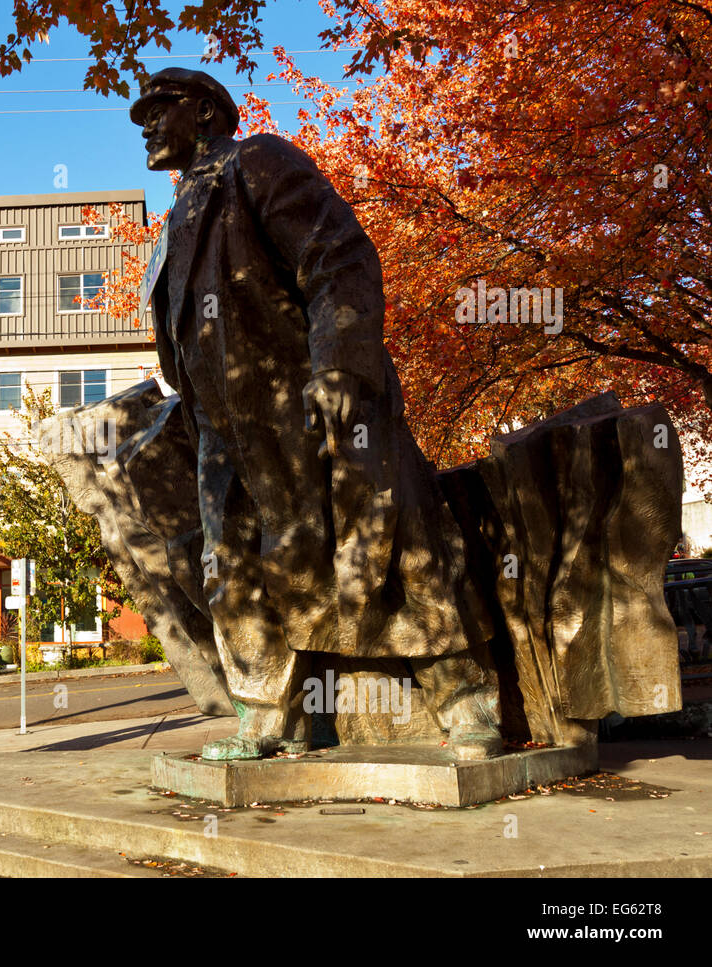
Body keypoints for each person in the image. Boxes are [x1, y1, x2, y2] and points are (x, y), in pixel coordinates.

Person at [130, 68, 502, 760]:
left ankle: (462, 696)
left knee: (389, 545)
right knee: (230, 565)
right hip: (223, 427)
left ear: (206, 111)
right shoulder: (173, 219)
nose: (144, 124)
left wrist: (338, 365)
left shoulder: (255, 163)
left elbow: (337, 255)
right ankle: (271, 714)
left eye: (158, 109)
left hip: (307, 402)